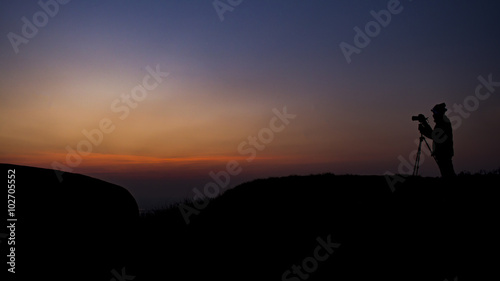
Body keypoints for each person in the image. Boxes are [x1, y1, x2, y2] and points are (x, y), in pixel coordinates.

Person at [418, 103, 456, 177]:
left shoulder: (443, 123)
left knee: (448, 175)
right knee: (447, 174)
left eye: (435, 113)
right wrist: (424, 124)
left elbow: (434, 136)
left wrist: (424, 127)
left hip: (444, 154)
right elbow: (434, 135)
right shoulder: (442, 122)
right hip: (443, 154)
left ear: (439, 113)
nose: (433, 115)